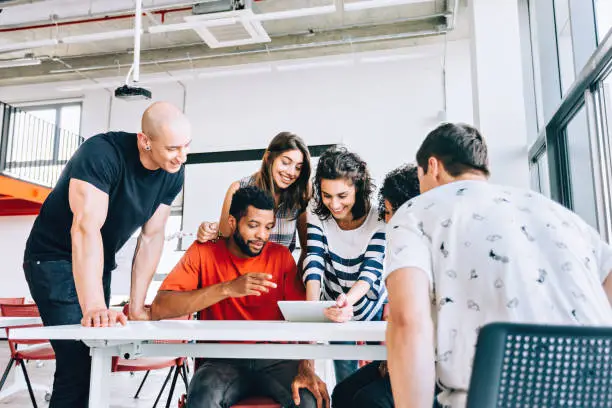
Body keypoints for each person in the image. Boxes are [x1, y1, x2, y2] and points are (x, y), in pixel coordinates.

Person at [384, 123, 612, 408]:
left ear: (432, 166)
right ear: (484, 165)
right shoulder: (554, 211)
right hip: (597, 392)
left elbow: (407, 321)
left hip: (493, 398)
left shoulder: (415, 212)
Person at [22, 101, 190, 407]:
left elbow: (152, 238)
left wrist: (137, 307)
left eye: (186, 146)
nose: (182, 156)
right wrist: (96, 306)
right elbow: (85, 229)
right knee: (79, 360)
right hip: (52, 259)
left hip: (97, 265)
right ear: (145, 140)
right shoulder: (101, 154)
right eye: (173, 148)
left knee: (97, 357)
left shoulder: (172, 172)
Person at [151, 185, 329, 408]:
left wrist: (306, 367)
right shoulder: (203, 251)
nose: (262, 236)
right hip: (221, 361)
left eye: (268, 227)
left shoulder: (281, 256)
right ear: (233, 222)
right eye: (253, 226)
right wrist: (226, 289)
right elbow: (160, 307)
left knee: (311, 401)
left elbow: (304, 321)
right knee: (202, 399)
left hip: (277, 358)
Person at [332, 164, 421, 408]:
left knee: (366, 400)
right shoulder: (399, 250)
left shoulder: (427, 253)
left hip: (429, 366)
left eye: (392, 211)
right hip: (403, 357)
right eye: (387, 210)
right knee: (342, 392)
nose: (387, 218)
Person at [302, 146, 386, 383]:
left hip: (370, 307)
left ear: (358, 189)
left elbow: (371, 273)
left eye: (342, 196)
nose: (334, 204)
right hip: (334, 306)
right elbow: (315, 261)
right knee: (345, 380)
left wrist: (347, 301)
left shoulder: (378, 218)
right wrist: (311, 312)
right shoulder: (316, 211)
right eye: (327, 195)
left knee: (380, 376)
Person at [197, 132, 311, 259]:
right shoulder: (239, 188)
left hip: (280, 274)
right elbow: (224, 239)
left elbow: (307, 250)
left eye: (298, 167)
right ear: (269, 158)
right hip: (243, 274)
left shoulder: (302, 193)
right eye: (285, 162)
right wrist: (209, 230)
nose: (291, 172)